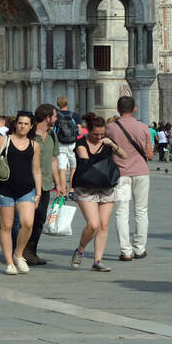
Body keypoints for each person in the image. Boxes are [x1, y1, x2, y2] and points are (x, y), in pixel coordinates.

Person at [0, 110, 42, 275]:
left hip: (26, 189)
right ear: (15, 124)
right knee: (6, 226)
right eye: (20, 123)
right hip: (4, 188)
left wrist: (39, 192)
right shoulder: (3, 140)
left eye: (26, 124)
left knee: (28, 223)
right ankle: (9, 263)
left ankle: (18, 254)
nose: (22, 126)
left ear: (31, 127)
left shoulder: (34, 145)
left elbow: (36, 170)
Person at [70, 113, 128, 271]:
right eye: (96, 134)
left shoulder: (107, 142)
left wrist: (112, 145)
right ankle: (80, 249)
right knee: (93, 224)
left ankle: (97, 261)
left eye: (102, 134)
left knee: (103, 224)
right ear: (89, 131)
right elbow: (87, 163)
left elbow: (124, 155)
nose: (99, 137)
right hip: (86, 187)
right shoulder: (81, 143)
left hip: (106, 186)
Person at [105, 96, 153, 261]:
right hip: (141, 173)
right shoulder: (143, 127)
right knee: (141, 211)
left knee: (121, 212)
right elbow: (149, 154)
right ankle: (140, 248)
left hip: (121, 175)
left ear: (118, 109)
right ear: (135, 109)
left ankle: (126, 251)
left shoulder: (111, 128)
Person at [23, 103, 65, 266]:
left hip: (46, 184)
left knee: (40, 219)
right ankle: (19, 250)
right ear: (47, 118)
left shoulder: (52, 136)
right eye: (54, 116)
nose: (56, 119)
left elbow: (54, 160)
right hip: (28, 183)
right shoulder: (29, 134)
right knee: (26, 220)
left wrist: (59, 183)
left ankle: (31, 251)